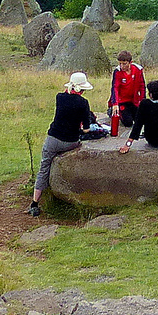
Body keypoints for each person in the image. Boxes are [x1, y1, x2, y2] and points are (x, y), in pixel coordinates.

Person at [30, 72, 98, 215]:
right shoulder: (83, 103)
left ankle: (35, 203)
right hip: (70, 142)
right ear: (82, 89)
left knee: (44, 168)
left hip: (53, 139)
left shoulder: (59, 97)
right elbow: (86, 129)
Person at [109, 51, 145, 130]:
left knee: (140, 119)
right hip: (122, 101)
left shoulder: (138, 70)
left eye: (124, 64)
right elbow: (115, 88)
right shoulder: (117, 72)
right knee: (128, 122)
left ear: (130, 62)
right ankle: (112, 110)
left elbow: (142, 86)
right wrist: (115, 103)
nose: (122, 66)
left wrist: (143, 101)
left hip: (134, 100)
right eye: (120, 64)